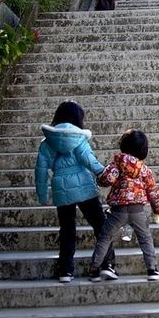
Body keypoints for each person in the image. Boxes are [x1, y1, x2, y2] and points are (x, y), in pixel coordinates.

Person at [34, 101, 116, 283]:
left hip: (61, 189)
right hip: (84, 186)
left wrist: (42, 193)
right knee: (100, 225)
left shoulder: (47, 142)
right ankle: (107, 264)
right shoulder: (79, 138)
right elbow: (89, 160)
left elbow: (40, 170)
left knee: (67, 229)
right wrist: (105, 173)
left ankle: (66, 271)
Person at [88, 129, 159, 282]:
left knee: (104, 238)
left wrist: (100, 178)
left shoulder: (116, 165)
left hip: (118, 211)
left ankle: (94, 269)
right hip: (138, 210)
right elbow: (153, 191)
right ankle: (152, 270)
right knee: (145, 239)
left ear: (124, 145)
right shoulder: (144, 170)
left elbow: (106, 180)